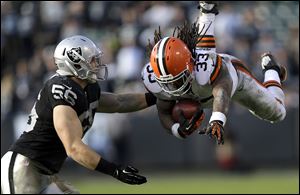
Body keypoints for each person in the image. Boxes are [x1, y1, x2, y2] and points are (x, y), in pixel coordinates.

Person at [1, 35, 157, 194]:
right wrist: (114, 170)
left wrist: (156, 97)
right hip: (25, 168)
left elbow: (119, 102)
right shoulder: (62, 89)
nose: (97, 64)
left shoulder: (86, 88)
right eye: (92, 60)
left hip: (46, 173)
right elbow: (74, 148)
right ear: (74, 62)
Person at [141, 1, 287, 144]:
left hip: (233, 79)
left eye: (177, 79)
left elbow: (222, 90)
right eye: (168, 81)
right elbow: (164, 111)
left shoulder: (204, 67)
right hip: (207, 91)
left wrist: (217, 119)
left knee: (277, 113)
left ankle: (271, 69)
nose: (173, 85)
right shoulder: (157, 80)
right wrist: (176, 130)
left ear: (191, 65)